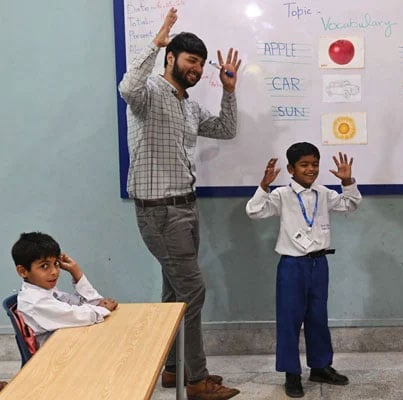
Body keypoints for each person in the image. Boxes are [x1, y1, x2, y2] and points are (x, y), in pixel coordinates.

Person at [117, 7, 241, 400]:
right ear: (171, 58)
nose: (197, 68)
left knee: (174, 294)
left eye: (201, 64)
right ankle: (197, 380)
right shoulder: (148, 93)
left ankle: (173, 370)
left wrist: (228, 89)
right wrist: (157, 41)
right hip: (159, 210)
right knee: (193, 292)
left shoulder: (189, 104)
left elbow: (225, 129)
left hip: (187, 207)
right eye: (191, 60)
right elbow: (126, 87)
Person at [245, 142, 361, 398]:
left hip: (319, 264)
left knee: (318, 317)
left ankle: (320, 366)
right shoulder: (281, 196)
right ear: (291, 168)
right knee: (289, 320)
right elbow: (254, 211)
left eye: (315, 164)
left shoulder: (324, 193)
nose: (311, 169)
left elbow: (351, 205)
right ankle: (291, 374)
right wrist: (264, 186)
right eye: (304, 165)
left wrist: (348, 181)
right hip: (292, 266)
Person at [11, 232, 118, 347]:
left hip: (68, 343)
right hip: (55, 356)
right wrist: (102, 309)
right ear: (23, 271)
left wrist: (75, 272)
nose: (54, 271)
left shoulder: (46, 290)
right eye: (44, 266)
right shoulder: (35, 302)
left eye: (56, 263)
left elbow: (85, 303)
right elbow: (77, 315)